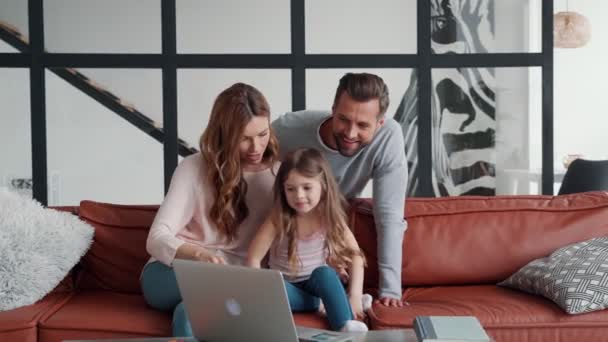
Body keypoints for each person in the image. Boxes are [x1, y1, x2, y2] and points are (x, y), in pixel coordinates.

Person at [140, 83, 280, 337]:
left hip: (238, 278)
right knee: (220, 293)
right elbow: (156, 238)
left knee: (189, 311)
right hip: (173, 273)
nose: (256, 147)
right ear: (224, 135)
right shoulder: (193, 168)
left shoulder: (279, 174)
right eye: (244, 139)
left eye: (263, 134)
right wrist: (198, 255)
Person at [271, 72, 408, 307]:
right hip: (286, 227)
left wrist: (390, 291)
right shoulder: (288, 130)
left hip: (329, 227)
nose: (350, 133)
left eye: (363, 125)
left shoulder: (388, 137)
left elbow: (389, 216)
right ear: (333, 109)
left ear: (379, 123)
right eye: (343, 119)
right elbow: (245, 170)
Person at [247, 148, 370, 332]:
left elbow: (355, 256)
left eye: (307, 187)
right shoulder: (278, 218)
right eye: (290, 189)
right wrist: (258, 290)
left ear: (323, 186)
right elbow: (253, 257)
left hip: (316, 283)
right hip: (287, 284)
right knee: (273, 290)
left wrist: (355, 295)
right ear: (283, 190)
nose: (299, 196)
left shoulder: (328, 218)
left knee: (326, 274)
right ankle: (326, 301)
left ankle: (344, 325)